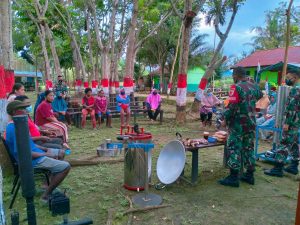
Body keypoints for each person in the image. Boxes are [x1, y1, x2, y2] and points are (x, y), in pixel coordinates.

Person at [5, 100, 70, 202]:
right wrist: (45, 154)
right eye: (22, 109)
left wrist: (45, 148)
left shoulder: (18, 125)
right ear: (14, 112)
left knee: (61, 153)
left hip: (36, 154)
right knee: (65, 166)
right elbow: (23, 154)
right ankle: (45, 196)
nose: (26, 111)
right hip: (32, 160)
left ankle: (46, 184)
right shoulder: (14, 128)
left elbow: (28, 143)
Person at [219, 67, 263, 187]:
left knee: (234, 147)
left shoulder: (236, 87)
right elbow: (259, 95)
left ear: (235, 75)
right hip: (251, 122)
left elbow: (232, 106)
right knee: (248, 147)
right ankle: (249, 175)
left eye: (233, 75)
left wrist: (224, 119)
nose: (232, 78)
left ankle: (233, 177)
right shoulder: (253, 86)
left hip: (238, 123)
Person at [264, 69, 300, 177]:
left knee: (283, 144)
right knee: (294, 144)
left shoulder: (295, 90)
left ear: (294, 78)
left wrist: (287, 123)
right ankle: (294, 166)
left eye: (288, 77)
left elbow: (292, 108)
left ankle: (278, 168)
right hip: (297, 123)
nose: (286, 79)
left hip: (292, 122)